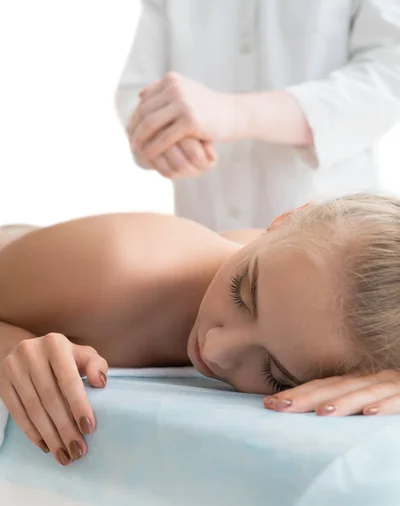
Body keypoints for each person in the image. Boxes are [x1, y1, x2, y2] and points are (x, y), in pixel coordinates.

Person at [1, 193, 400, 467]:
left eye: (274, 374)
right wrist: (13, 346)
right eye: (242, 293)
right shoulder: (116, 267)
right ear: (283, 220)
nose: (215, 347)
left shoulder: (313, 289)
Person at [115, 0, 400, 231]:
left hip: (334, 232)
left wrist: (233, 114)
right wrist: (161, 134)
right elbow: (138, 90)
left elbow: (387, 76)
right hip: (203, 232)